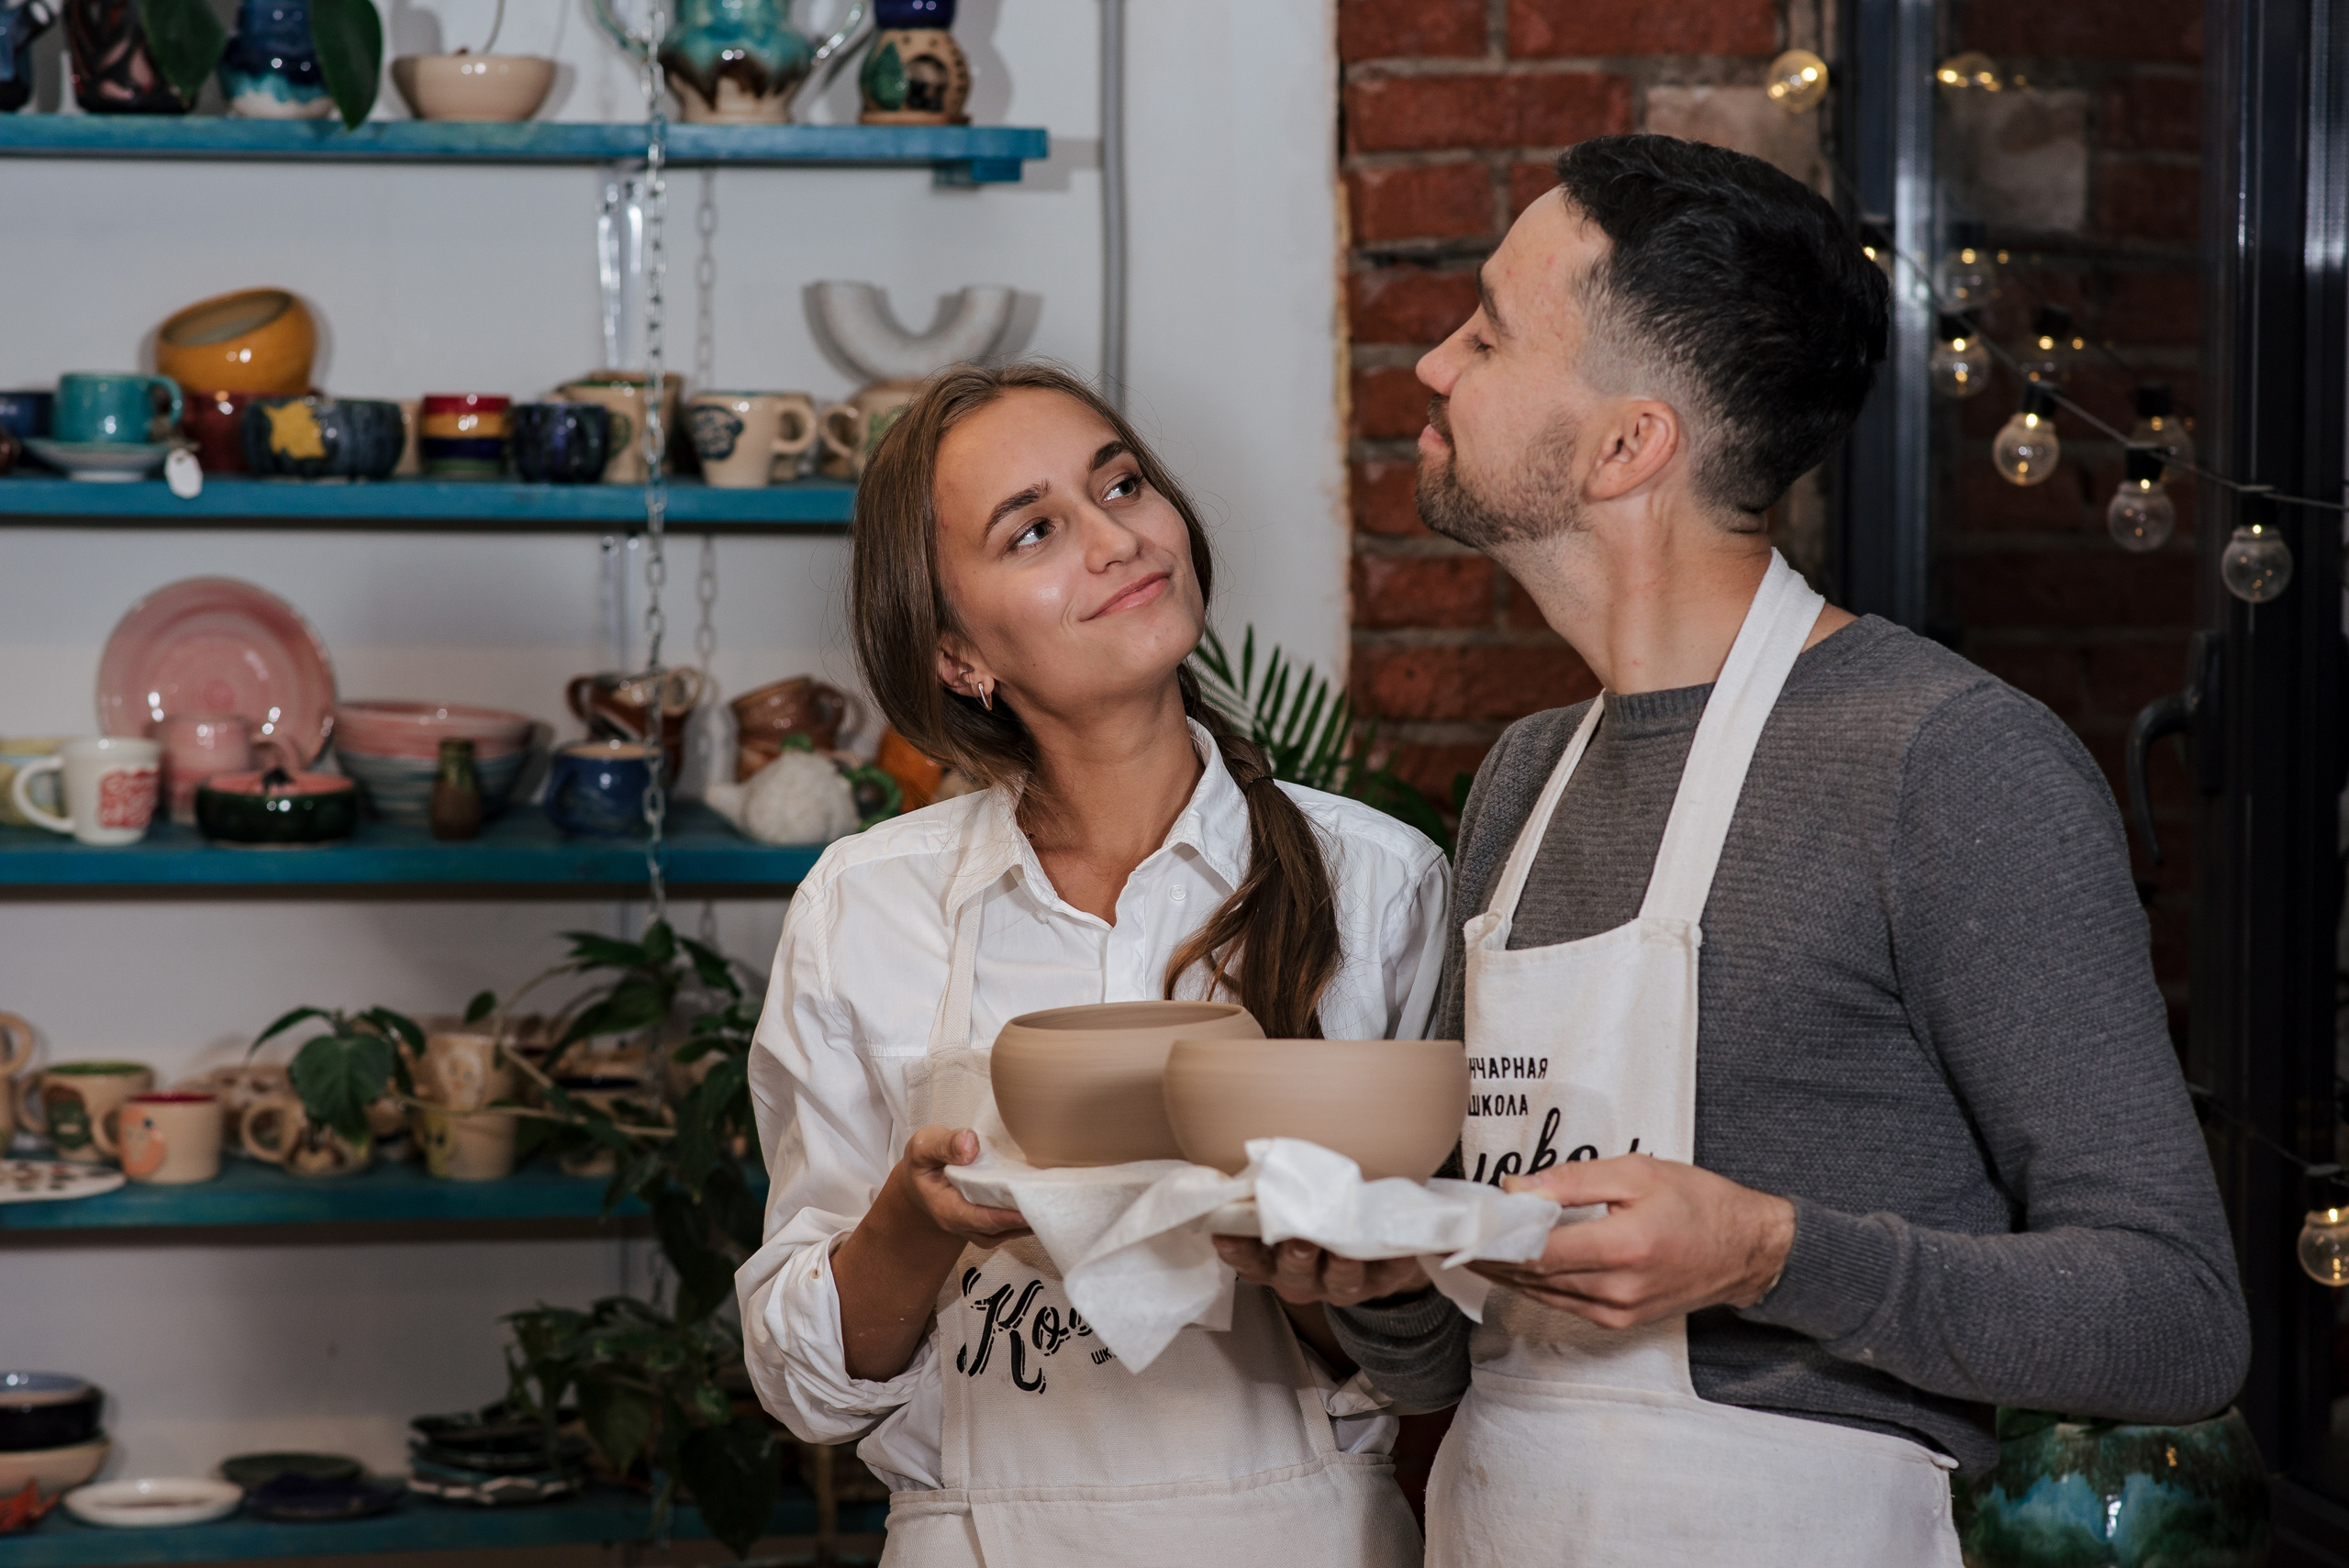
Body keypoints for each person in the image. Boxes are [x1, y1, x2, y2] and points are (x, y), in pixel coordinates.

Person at [1219, 134, 2249, 1565]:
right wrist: (1369, 1274)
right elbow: (1446, 1368)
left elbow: (2179, 1317)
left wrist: (1766, 1251)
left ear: (1628, 444)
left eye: (1487, 330)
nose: (1433, 367)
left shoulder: (1947, 762)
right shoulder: (1525, 778)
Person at [735, 362, 1449, 1567]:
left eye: (1123, 483)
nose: (1119, 537)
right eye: (1036, 530)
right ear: (959, 653)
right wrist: (914, 1221)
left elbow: (1431, 1347)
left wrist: (1315, 1263)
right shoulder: (867, 904)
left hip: (1302, 1534)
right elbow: (804, 1386)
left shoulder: (1380, 882)